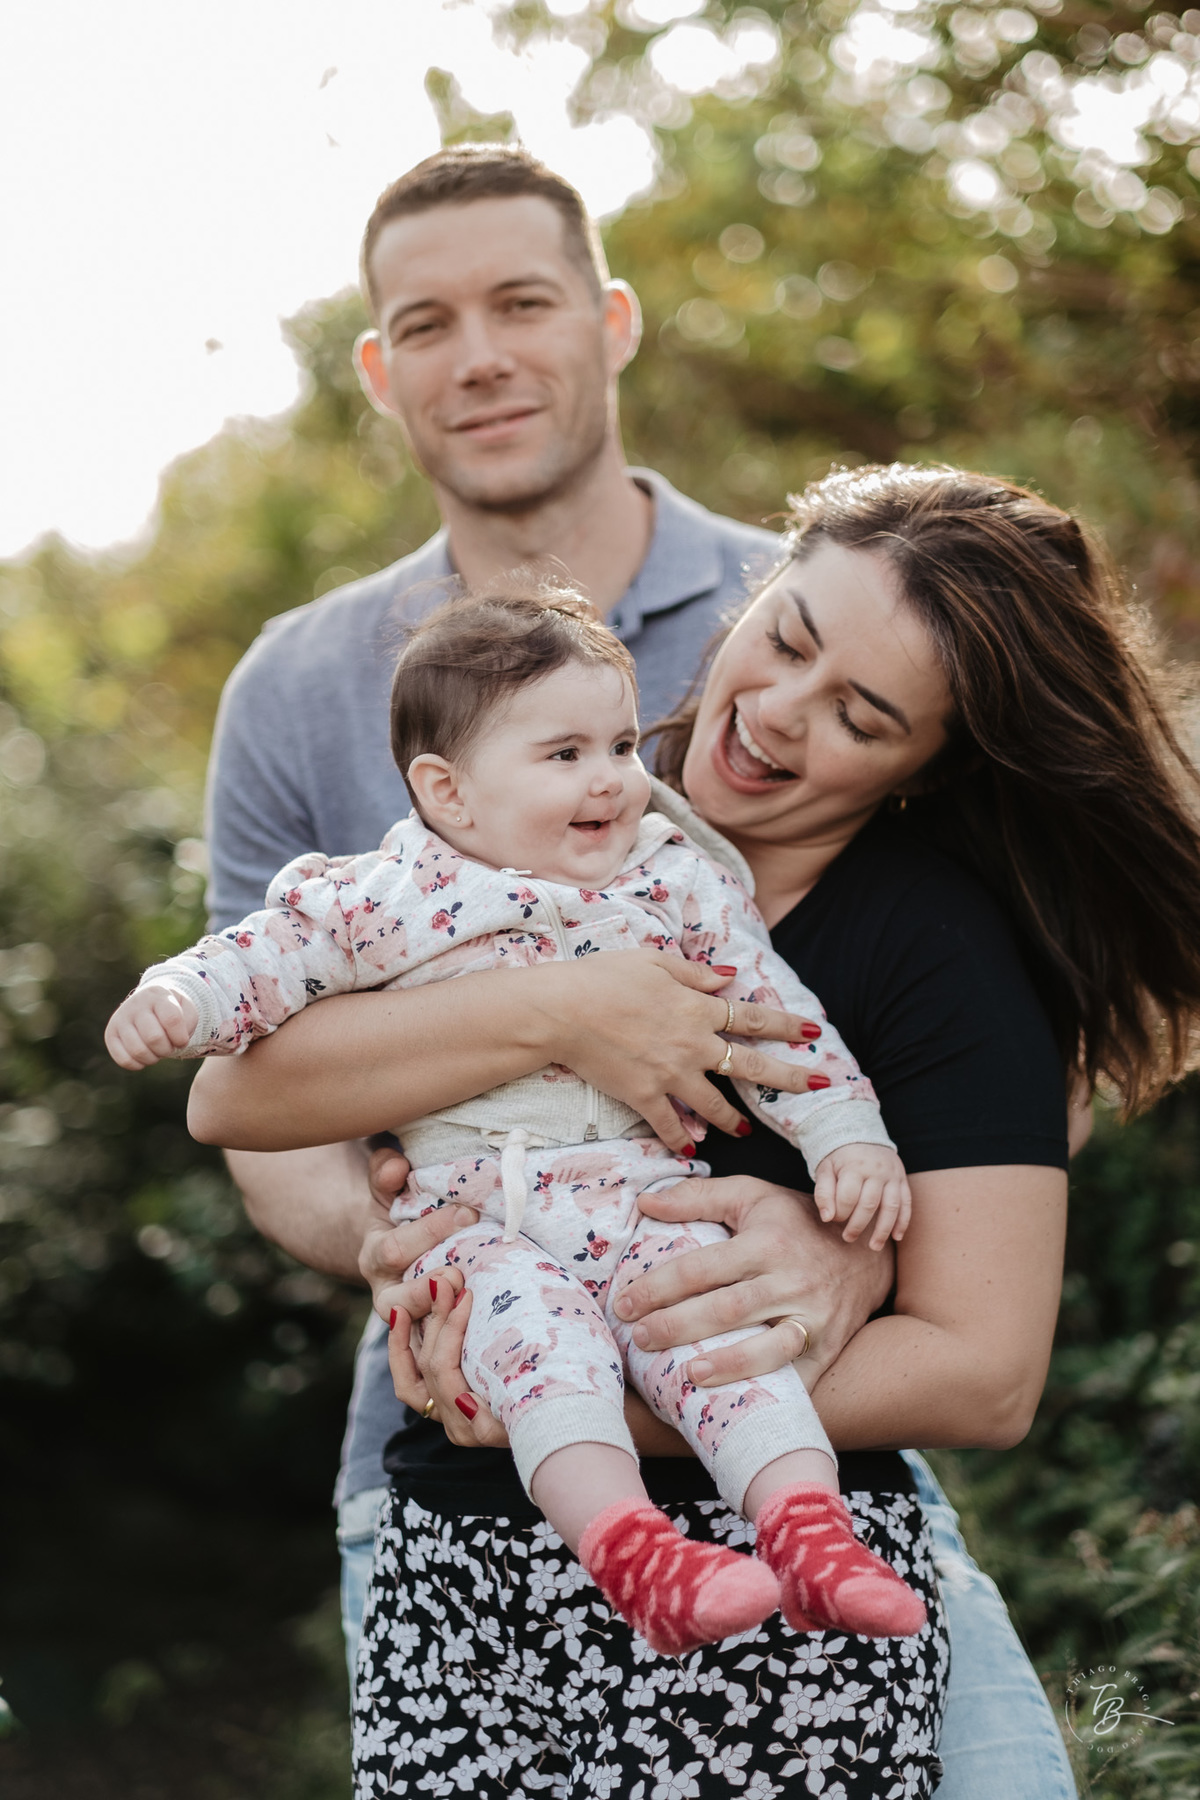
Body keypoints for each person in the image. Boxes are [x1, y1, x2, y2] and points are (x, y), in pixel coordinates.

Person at [190, 144, 1088, 1794]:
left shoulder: (839, 593)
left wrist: (852, 1240)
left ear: (612, 323)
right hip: (465, 1424)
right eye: (430, 322)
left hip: (779, 1411)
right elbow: (252, 1098)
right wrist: (432, 1246)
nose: (483, 357)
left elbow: (1000, 1093)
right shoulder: (302, 685)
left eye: (524, 303)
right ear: (380, 372)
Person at [111, 583, 927, 1650]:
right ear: (448, 793)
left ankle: (810, 1537)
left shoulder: (673, 883)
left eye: (623, 744)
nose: (611, 779)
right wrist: (179, 999)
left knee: (724, 1345)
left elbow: (773, 1018)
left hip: (643, 1202)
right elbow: (266, 957)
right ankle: (636, 1557)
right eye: (564, 756)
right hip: (481, 1228)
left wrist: (848, 1137)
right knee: (538, 1357)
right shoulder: (385, 896)